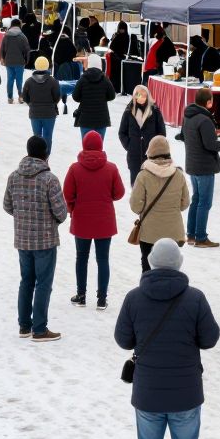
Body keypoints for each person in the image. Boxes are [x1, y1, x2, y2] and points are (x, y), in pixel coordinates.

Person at [114, 238, 220, 439]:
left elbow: (123, 340)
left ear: (150, 263)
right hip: (186, 394)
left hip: (148, 394)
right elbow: (210, 339)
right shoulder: (195, 298)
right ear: (179, 264)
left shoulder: (134, 298)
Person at [3, 135, 67, 342]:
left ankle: (24, 325)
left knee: (26, 281)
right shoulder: (49, 179)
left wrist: (23, 216)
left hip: (22, 239)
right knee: (43, 283)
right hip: (45, 239)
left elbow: (7, 205)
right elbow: (61, 212)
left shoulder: (14, 176)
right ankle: (39, 329)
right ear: (45, 153)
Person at [63, 131, 125, 311]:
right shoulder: (111, 168)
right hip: (104, 221)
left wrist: (72, 208)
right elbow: (119, 193)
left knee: (81, 258)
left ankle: (81, 295)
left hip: (81, 219)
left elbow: (68, 194)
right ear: (100, 145)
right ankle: (102, 299)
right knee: (103, 259)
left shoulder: (75, 169)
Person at [131, 135, 190, 272]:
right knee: (171, 269)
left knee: (147, 267)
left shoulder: (143, 176)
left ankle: (148, 292)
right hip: (173, 232)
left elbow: (135, 206)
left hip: (149, 233)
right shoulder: (178, 174)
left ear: (150, 152)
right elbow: (185, 203)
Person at [183, 87, 220, 248]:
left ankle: (191, 234)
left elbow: (182, 135)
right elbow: (210, 144)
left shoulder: (188, 116)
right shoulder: (205, 120)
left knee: (196, 199)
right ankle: (200, 237)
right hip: (204, 165)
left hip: (192, 164)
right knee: (204, 202)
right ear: (209, 102)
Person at [118, 84, 167, 185]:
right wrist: (130, 146)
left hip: (151, 156)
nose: (142, 98)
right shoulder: (128, 111)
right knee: (136, 185)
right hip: (134, 156)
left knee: (151, 186)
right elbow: (122, 132)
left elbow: (161, 133)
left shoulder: (155, 111)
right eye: (139, 95)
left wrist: (156, 148)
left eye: (145, 96)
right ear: (135, 96)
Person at [71, 54, 116, 142]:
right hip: (101, 119)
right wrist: (102, 98)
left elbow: (75, 97)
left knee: (86, 146)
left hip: (85, 119)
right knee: (98, 146)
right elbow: (112, 96)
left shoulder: (82, 79)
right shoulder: (105, 79)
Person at [23, 56, 61, 153]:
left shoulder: (29, 82)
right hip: (49, 114)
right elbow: (57, 97)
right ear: (47, 66)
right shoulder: (53, 81)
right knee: (48, 137)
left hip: (34, 113)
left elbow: (25, 98)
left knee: (37, 137)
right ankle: (46, 158)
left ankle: (37, 157)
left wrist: (32, 104)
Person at [0, 17, 31, 104]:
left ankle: (10, 98)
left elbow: (2, 48)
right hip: (20, 61)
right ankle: (20, 96)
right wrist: (27, 60)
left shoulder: (6, 35)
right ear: (19, 25)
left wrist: (2, 58)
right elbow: (27, 50)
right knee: (19, 80)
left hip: (8, 61)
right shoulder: (23, 36)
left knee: (10, 79)